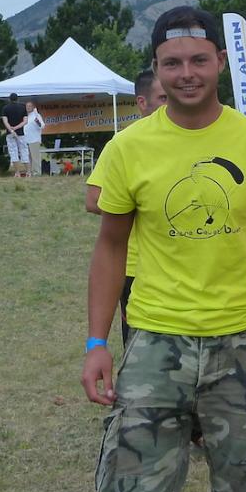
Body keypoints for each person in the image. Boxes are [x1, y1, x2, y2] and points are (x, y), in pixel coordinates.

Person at [82, 6, 246, 492]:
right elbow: (110, 247)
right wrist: (97, 342)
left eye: (198, 59)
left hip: (243, 344)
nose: (186, 74)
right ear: (156, 69)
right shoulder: (126, 149)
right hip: (154, 342)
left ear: (220, 60)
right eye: (171, 63)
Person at [85, 67, 168, 345]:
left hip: (175, 263)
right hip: (134, 266)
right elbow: (93, 199)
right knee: (137, 342)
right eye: (163, 98)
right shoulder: (122, 144)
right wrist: (139, 205)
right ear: (143, 103)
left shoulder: (184, 140)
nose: (171, 103)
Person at [0, 92, 28, 177]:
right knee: (24, 151)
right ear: (17, 99)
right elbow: (25, 121)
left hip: (10, 133)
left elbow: (5, 122)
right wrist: (16, 128)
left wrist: (12, 130)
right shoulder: (23, 107)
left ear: (9, 99)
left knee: (13, 152)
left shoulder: (5, 108)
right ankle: (28, 172)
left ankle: (17, 172)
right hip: (21, 133)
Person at [23, 100, 46, 177]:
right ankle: (30, 172)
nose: (28, 108)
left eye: (29, 106)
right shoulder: (26, 116)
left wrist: (37, 121)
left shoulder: (36, 115)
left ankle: (37, 173)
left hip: (34, 140)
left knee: (35, 157)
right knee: (28, 158)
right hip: (27, 140)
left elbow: (42, 126)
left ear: (33, 107)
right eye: (27, 106)